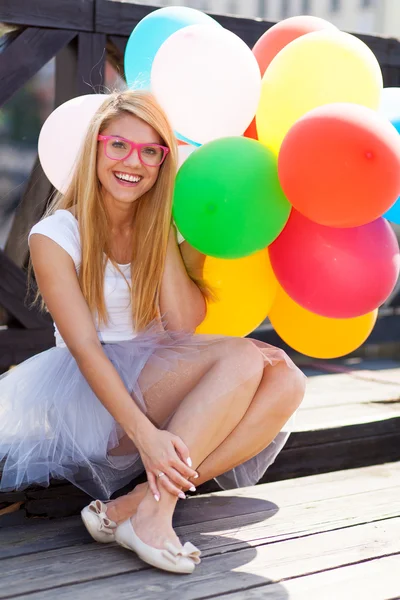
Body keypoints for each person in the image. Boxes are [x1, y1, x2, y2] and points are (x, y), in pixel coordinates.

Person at [0, 90, 305, 574]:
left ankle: (141, 503)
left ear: (164, 162)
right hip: (93, 399)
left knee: (289, 379)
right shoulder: (55, 235)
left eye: (150, 152)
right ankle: (154, 516)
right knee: (247, 358)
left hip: (151, 375)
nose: (132, 162)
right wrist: (148, 438)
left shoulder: (156, 226)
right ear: (96, 148)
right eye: (118, 145)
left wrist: (161, 231)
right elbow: (83, 349)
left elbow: (182, 324)